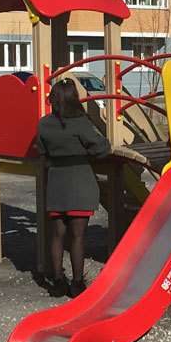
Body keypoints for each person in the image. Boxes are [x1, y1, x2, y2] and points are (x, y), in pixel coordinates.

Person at [35, 79, 113, 297]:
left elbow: (42, 151)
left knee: (58, 234)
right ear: (73, 99)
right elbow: (100, 149)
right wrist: (106, 143)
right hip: (80, 180)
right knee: (77, 236)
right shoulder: (80, 122)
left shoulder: (43, 124)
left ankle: (58, 281)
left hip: (57, 181)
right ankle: (77, 283)